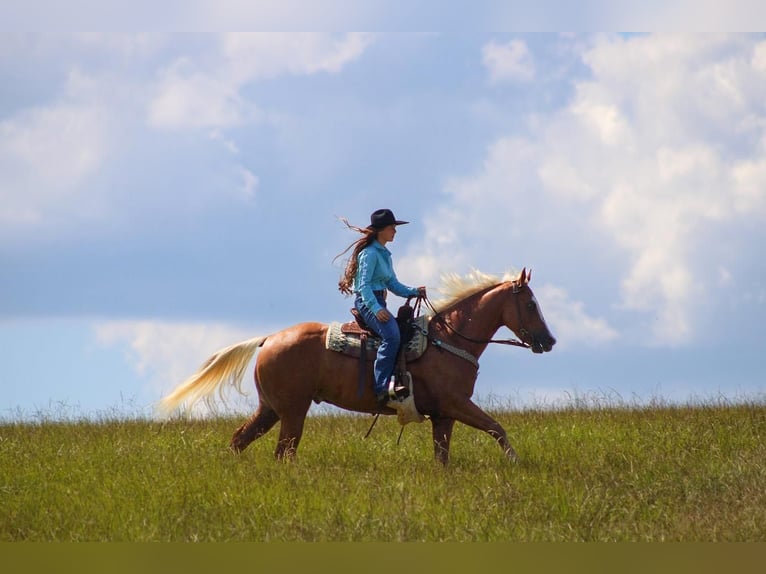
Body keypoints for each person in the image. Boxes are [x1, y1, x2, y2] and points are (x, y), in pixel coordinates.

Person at [337, 208, 426, 407]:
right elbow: (363, 286)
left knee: (402, 332)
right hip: (367, 302)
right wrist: (376, 309)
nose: (395, 231)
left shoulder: (384, 254)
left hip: (378, 301)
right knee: (392, 336)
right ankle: (381, 387)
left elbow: (393, 284)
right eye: (392, 227)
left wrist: (414, 291)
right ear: (381, 230)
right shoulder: (369, 254)